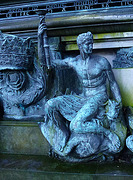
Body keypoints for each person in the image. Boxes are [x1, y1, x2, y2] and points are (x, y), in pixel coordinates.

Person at [38, 23, 122, 156]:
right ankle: (63, 133)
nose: (90, 47)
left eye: (91, 43)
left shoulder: (102, 62)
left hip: (99, 97)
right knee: (50, 105)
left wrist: (118, 101)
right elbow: (47, 63)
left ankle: (108, 133)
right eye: (87, 44)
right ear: (80, 46)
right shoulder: (74, 62)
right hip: (82, 98)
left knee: (76, 126)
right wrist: (40, 39)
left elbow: (113, 83)